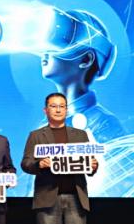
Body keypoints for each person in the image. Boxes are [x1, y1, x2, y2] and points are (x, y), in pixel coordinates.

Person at [21, 92, 99, 224]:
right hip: (48, 198)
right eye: (53, 106)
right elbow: (26, 163)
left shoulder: (80, 135)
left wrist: (94, 166)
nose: (57, 110)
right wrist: (39, 164)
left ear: (67, 109)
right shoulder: (37, 135)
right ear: (45, 110)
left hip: (75, 197)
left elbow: (89, 163)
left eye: (61, 106)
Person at [40, 9, 125, 143]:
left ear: (86, 59)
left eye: (59, 44)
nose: (45, 53)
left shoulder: (103, 123)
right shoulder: (45, 127)